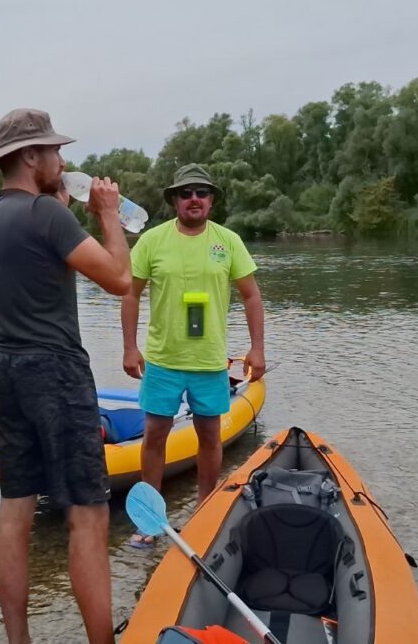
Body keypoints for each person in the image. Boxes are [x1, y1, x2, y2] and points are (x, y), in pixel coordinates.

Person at [0, 108, 131, 644]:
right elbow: (120, 280)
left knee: (16, 508)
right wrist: (107, 213)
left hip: (4, 366)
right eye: (54, 151)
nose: (63, 159)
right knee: (87, 512)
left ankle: (18, 640)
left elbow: (35, 261)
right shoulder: (49, 218)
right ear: (31, 157)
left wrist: (58, 207)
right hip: (54, 369)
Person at [121, 164, 265, 547]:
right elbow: (130, 294)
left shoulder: (228, 241)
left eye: (201, 192)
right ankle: (150, 519)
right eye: (186, 193)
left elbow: (251, 295)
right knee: (154, 436)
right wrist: (130, 346)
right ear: (175, 201)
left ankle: (204, 510)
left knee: (209, 436)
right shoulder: (151, 241)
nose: (194, 199)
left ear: (212, 200)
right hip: (163, 360)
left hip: (208, 361)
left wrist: (257, 347)